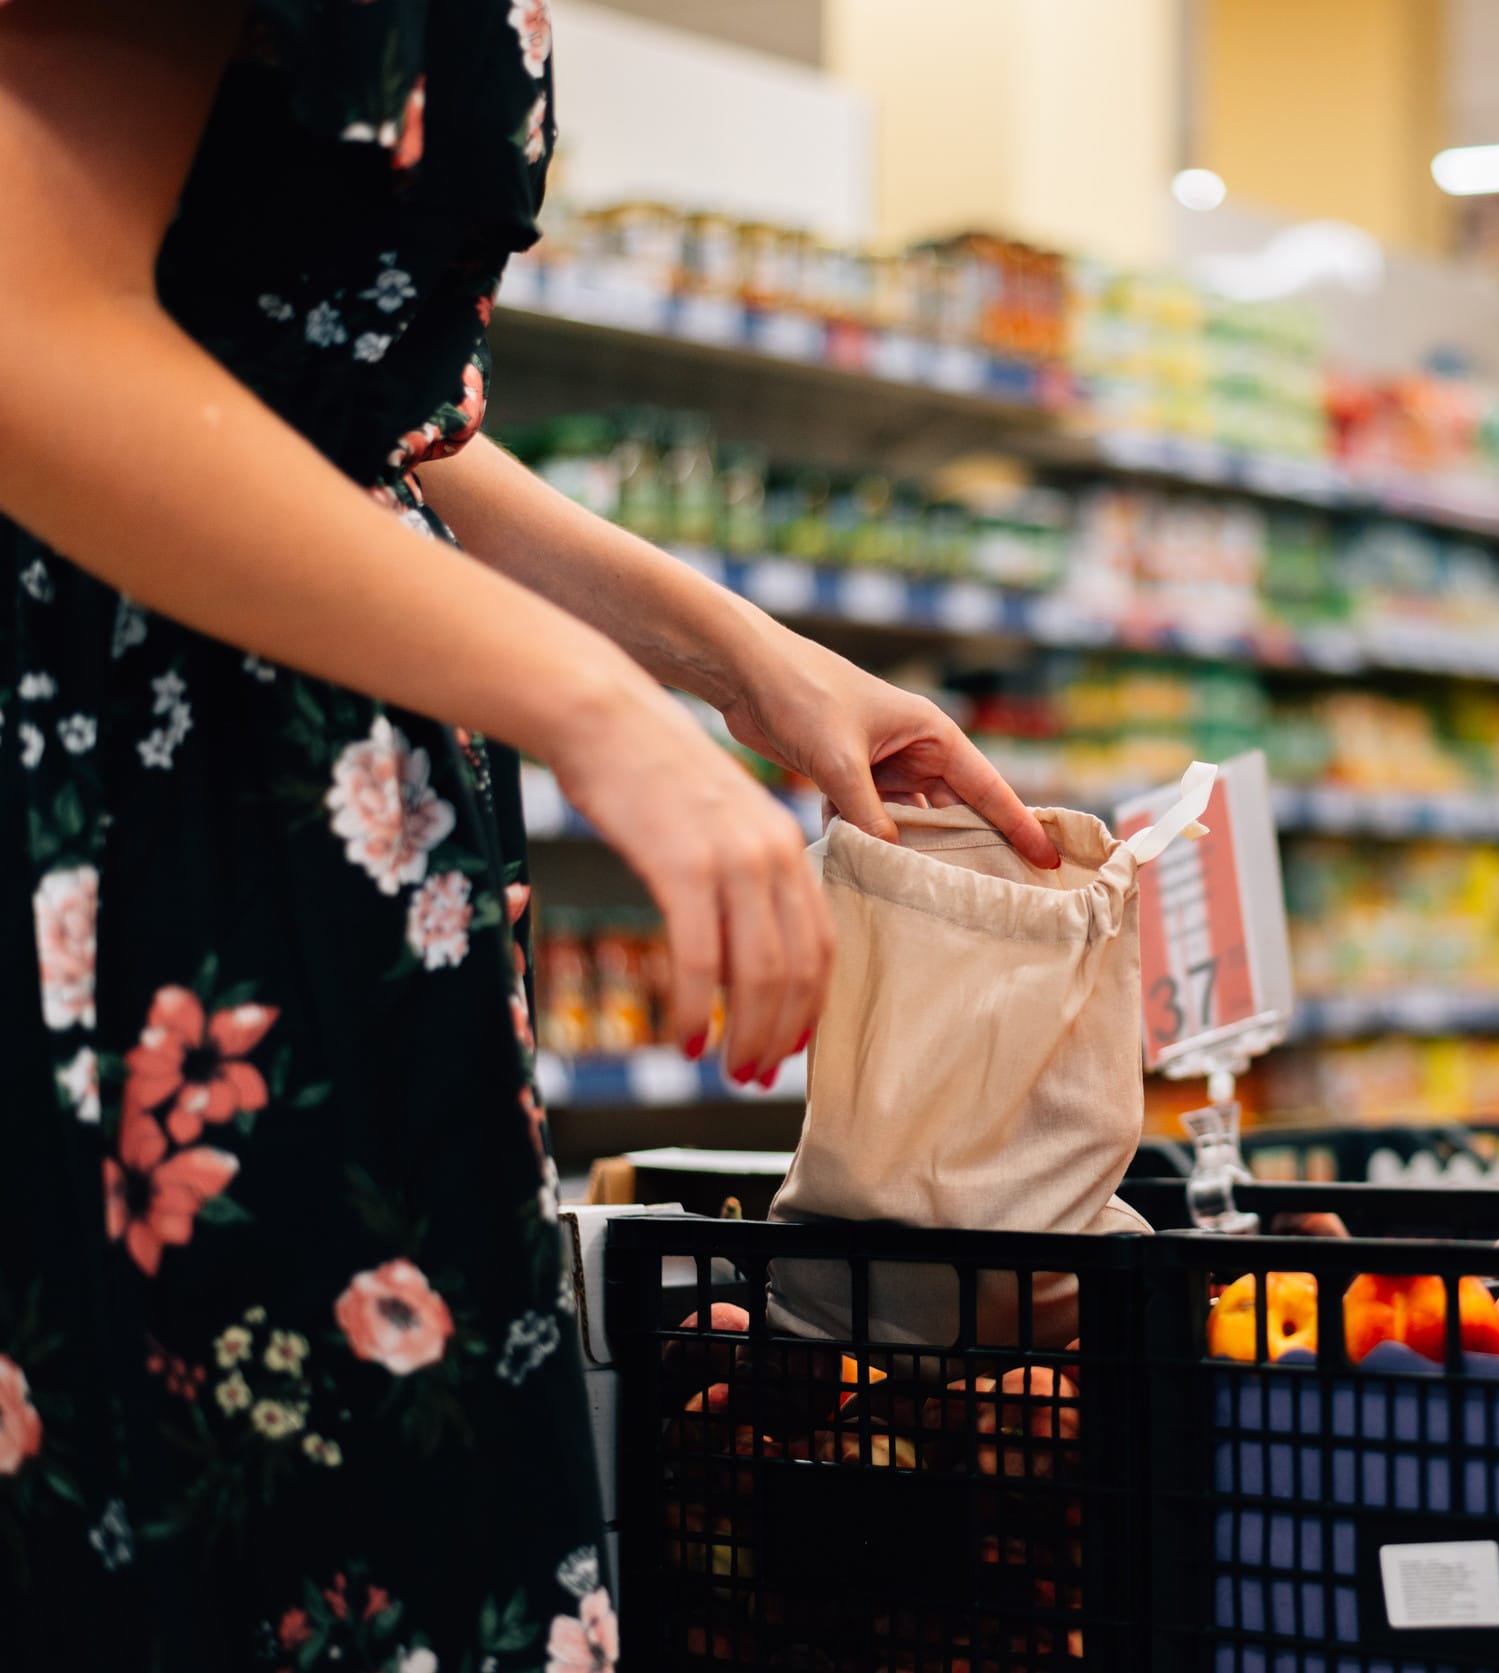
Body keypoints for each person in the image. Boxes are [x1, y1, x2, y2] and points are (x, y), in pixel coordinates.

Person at [0, 2, 1057, 1663]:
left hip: (292, 824)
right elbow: (30, 336)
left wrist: (735, 662)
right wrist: (596, 709)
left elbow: (326, 383)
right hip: (134, 830)